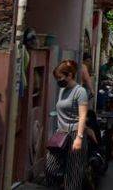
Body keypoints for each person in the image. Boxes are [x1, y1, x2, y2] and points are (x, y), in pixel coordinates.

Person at [45, 60, 89, 189]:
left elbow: (82, 116)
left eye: (60, 77)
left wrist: (79, 138)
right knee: (50, 168)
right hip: (61, 134)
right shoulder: (62, 90)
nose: (58, 81)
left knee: (73, 174)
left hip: (75, 134)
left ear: (69, 75)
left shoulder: (80, 91)